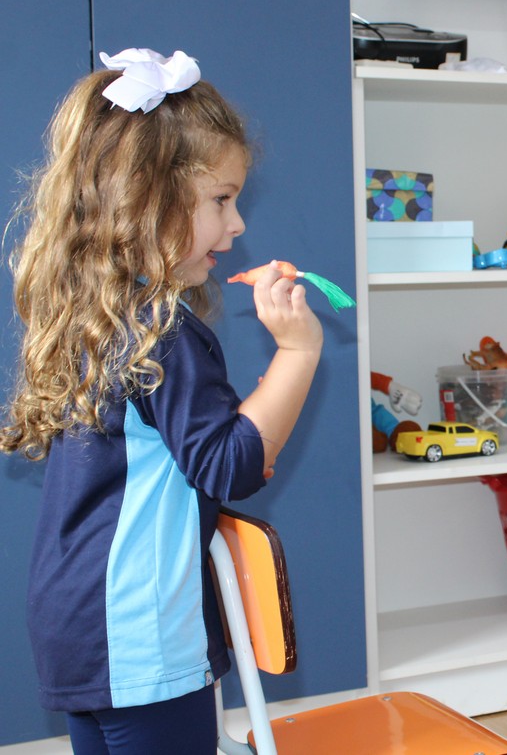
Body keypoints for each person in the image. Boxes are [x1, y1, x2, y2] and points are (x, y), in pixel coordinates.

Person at [0, 49, 323, 754]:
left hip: (77, 627)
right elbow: (231, 464)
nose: (237, 225)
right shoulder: (164, 332)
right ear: (148, 198)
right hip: (140, 635)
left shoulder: (95, 316)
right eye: (221, 200)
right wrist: (298, 352)